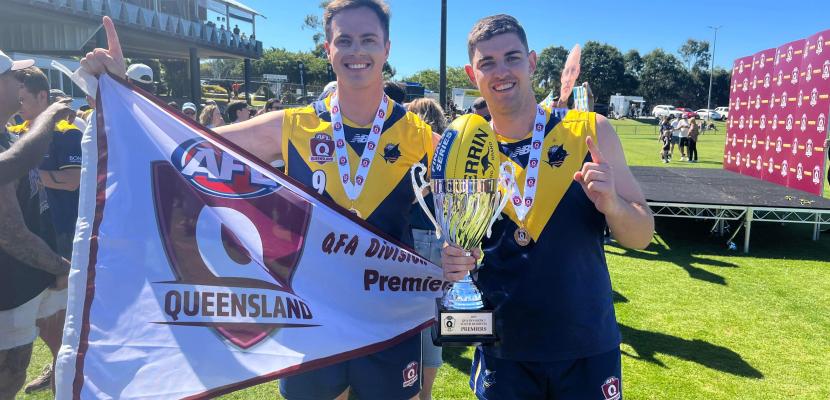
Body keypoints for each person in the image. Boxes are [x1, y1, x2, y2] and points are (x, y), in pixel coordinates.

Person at [81, 3, 437, 398]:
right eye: (345, 40)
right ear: (328, 49)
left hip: (386, 311)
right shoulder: (293, 124)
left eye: (368, 39)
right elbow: (185, 145)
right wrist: (125, 93)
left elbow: (470, 190)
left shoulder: (417, 134)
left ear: (387, 48)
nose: (357, 50)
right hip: (314, 314)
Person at [442, 14, 653, 399]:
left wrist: (612, 205)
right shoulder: (463, 148)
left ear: (533, 62)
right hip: (504, 349)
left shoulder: (590, 130)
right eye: (487, 63)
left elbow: (642, 236)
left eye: (512, 57)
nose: (501, 71)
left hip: (586, 345)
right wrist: (454, 261)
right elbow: (457, 244)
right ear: (473, 75)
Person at [0, 61, 73, 399]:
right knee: (8, 375)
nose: (20, 84)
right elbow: (10, 232)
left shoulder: (6, 133)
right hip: (10, 287)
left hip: (30, 276)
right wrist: (60, 267)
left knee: (29, 363)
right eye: (13, 76)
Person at [404, 97, 446, 400]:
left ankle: (410, 388)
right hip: (442, 240)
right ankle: (426, 393)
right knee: (432, 320)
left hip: (409, 239)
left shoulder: (406, 147)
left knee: (406, 319)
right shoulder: (447, 148)